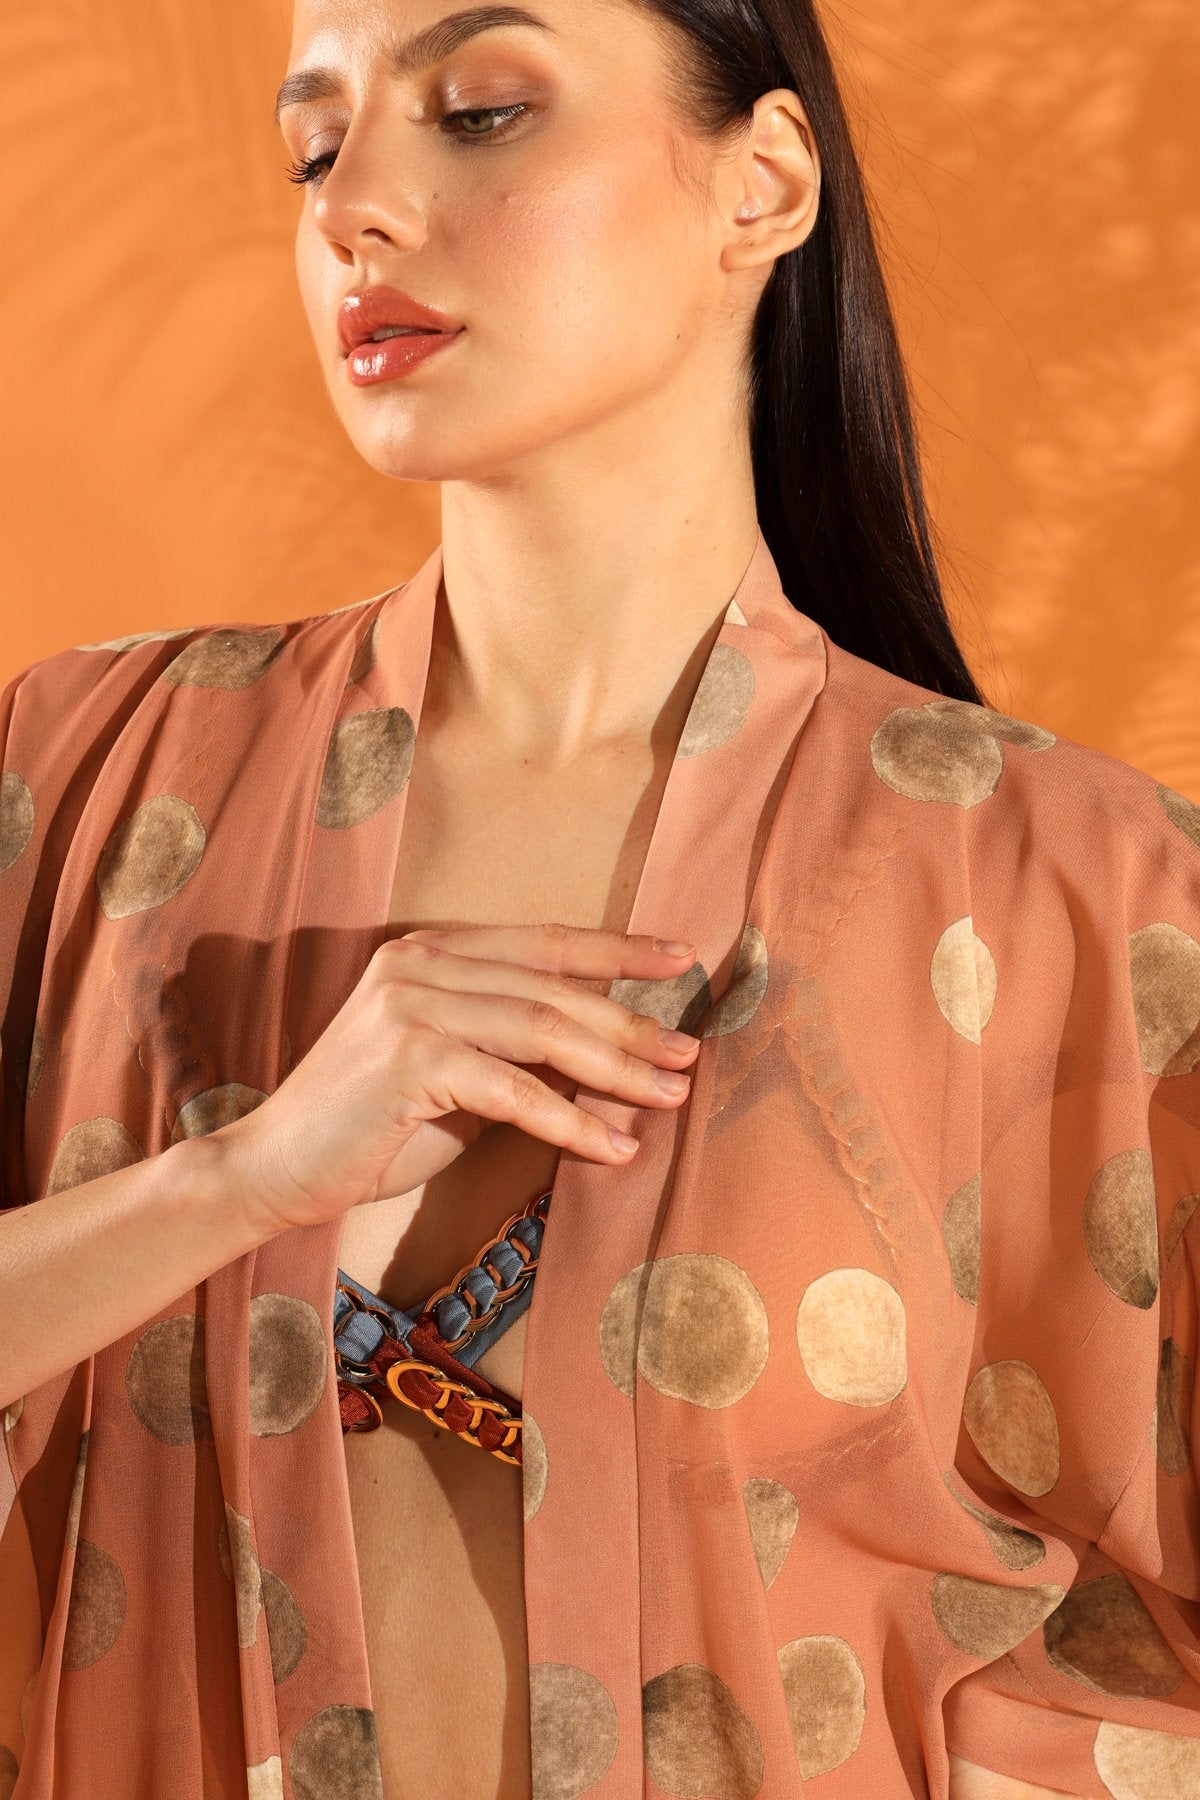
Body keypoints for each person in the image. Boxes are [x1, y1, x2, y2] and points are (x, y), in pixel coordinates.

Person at [1, 0, 1197, 1795]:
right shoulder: (84, 780)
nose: (352, 202)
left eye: (481, 109)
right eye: (314, 145)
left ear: (762, 184)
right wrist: (235, 1180)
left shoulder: (1071, 892)